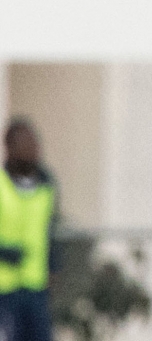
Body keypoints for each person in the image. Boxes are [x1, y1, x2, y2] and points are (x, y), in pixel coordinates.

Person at [0, 119, 58, 341]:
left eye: (34, 144)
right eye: (24, 144)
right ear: (10, 148)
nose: (32, 149)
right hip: (4, 287)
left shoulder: (46, 186)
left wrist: (54, 265)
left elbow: (51, 230)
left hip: (35, 285)